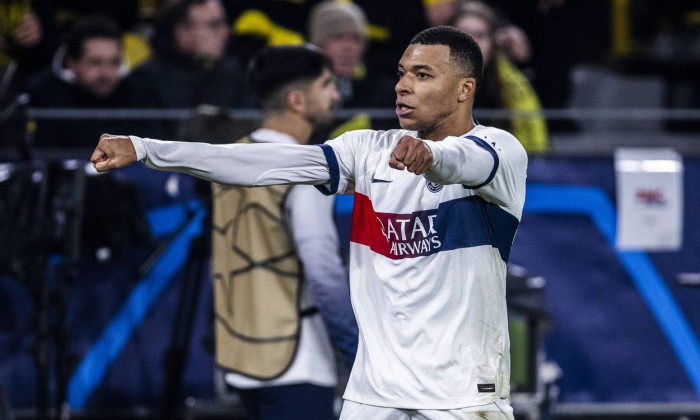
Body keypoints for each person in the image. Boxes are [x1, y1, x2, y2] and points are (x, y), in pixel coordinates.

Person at [91, 26, 528, 419]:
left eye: (422, 75)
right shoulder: (368, 150)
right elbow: (264, 161)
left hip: (463, 396)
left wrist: (433, 155)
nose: (402, 86)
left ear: (464, 89)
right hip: (375, 395)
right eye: (401, 73)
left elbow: (465, 161)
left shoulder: (501, 151)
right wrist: (147, 149)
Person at [208, 45, 358, 420]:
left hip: (241, 358)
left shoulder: (229, 158)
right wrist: (357, 352)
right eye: (326, 85)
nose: (336, 94)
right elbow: (322, 271)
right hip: (297, 360)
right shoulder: (306, 169)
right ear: (296, 100)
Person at [25, 14, 163, 149]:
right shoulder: (43, 92)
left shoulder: (139, 92)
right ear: (72, 63)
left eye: (114, 62)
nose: (106, 73)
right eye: (96, 63)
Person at [129, 0, 253, 136]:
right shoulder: (145, 80)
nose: (225, 32)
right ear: (182, 33)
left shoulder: (233, 73)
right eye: (214, 25)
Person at [449, 0, 549, 152]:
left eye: (480, 35)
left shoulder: (510, 85)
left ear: (493, 43)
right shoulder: (423, 82)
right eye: (463, 34)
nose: (472, 43)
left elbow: (533, 139)